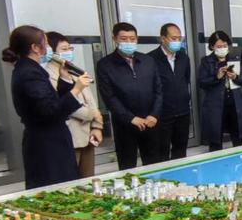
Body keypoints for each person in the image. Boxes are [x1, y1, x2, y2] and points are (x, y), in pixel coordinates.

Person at [4, 26, 91, 189]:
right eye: (46, 43)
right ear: (35, 48)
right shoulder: (29, 73)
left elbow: (52, 101)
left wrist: (64, 79)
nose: (49, 48)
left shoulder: (31, 69)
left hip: (51, 139)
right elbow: (49, 110)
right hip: (47, 144)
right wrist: (76, 89)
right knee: (56, 188)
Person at [96, 22, 162, 170]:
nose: (129, 42)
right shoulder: (105, 65)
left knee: (154, 166)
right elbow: (109, 97)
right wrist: (131, 118)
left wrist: (154, 114)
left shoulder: (148, 61)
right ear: (115, 39)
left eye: (132, 39)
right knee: (127, 166)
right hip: (124, 124)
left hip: (150, 122)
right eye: (124, 39)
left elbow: (158, 90)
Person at [45, 32, 104, 178]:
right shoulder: (47, 76)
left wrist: (97, 127)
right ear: (52, 53)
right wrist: (91, 114)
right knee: (70, 179)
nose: (69, 52)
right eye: (64, 49)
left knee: (88, 178)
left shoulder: (74, 71)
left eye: (70, 48)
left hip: (88, 135)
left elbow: (91, 101)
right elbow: (67, 104)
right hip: (69, 136)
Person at [198, 31, 242, 151]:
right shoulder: (206, 61)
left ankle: (240, 161)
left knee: (238, 139)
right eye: (219, 46)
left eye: (225, 45)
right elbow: (202, 83)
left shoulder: (235, 58)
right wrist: (217, 77)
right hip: (216, 106)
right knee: (215, 140)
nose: (222, 48)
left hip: (234, 103)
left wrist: (235, 77)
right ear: (212, 47)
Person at [149, 23, 191, 161]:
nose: (177, 41)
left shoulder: (183, 57)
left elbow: (186, 79)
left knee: (180, 150)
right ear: (163, 38)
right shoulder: (150, 59)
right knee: (162, 151)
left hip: (183, 112)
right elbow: (150, 87)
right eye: (174, 38)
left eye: (179, 38)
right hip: (162, 114)